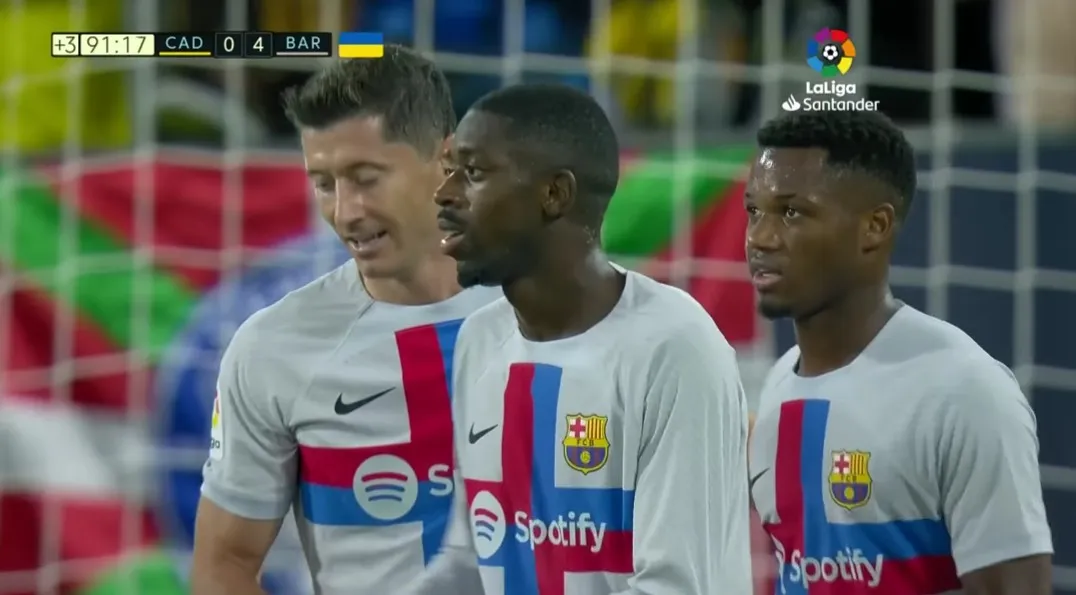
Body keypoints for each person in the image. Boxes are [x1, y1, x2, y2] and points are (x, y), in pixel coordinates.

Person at [414, 83, 754, 595]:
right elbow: (471, 562)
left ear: (555, 195)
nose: (444, 194)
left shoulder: (675, 349)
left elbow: (673, 588)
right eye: (449, 172)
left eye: (474, 173)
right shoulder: (479, 341)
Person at [189, 46, 501, 595]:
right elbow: (225, 564)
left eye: (366, 177)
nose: (346, 211)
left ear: (448, 160)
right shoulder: (273, 347)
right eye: (325, 183)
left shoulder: (555, 311)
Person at [745, 109, 1054, 594]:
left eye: (791, 212)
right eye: (753, 211)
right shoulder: (779, 387)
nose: (759, 237)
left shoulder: (963, 391)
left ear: (875, 226)